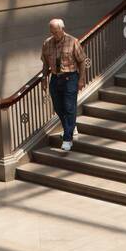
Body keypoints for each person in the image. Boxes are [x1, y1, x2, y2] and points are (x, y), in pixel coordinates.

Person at [40, 18, 87, 152]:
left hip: (70, 77)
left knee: (69, 107)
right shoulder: (47, 43)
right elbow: (45, 64)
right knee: (58, 107)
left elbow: (82, 61)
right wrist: (43, 78)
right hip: (55, 78)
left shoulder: (73, 41)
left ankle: (67, 138)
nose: (54, 34)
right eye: (52, 32)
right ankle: (71, 127)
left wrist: (81, 79)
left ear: (62, 29)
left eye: (56, 31)